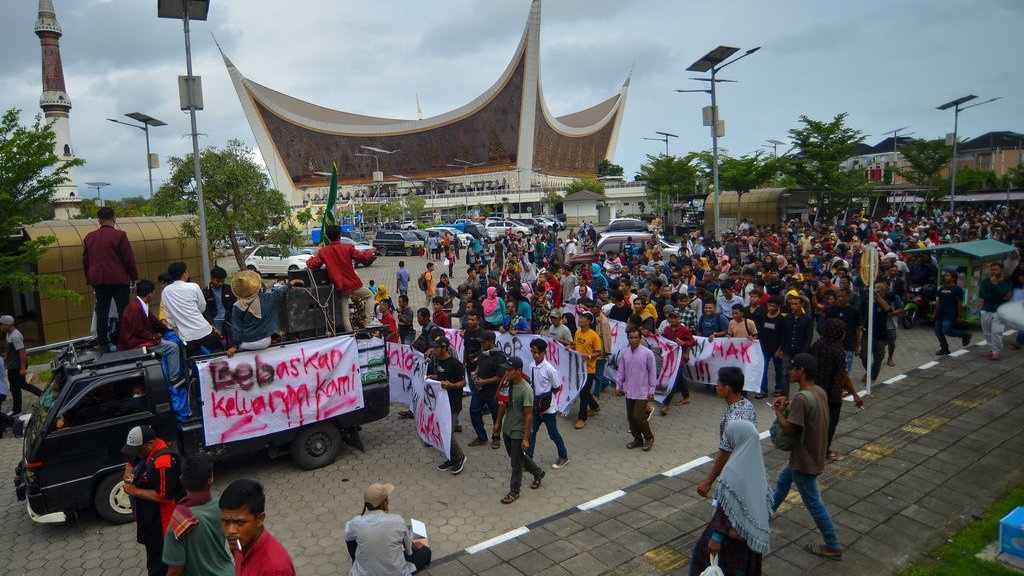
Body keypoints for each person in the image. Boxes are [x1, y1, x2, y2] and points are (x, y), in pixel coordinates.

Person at [770, 353, 844, 561]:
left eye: (792, 368)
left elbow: (792, 429)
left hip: (804, 460)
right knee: (783, 480)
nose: (789, 371)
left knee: (813, 503)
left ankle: (833, 545)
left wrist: (778, 413)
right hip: (813, 453)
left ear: (801, 371)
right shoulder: (817, 391)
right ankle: (767, 512)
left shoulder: (803, 398)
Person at [689, 420, 773, 576]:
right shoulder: (758, 467)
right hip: (748, 537)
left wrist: (716, 536)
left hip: (729, 538)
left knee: (703, 560)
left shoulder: (732, 470)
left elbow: (725, 508)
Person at [122, 425, 183, 576]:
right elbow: (131, 460)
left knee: (159, 565)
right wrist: (128, 473)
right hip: (150, 520)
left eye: (138, 449)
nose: (136, 453)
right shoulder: (146, 449)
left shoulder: (163, 462)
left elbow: (164, 495)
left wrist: (134, 491)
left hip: (162, 525)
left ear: (150, 443)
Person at [162, 452, 234, 576]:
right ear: (211, 480)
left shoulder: (178, 523)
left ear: (182, 480)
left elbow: (175, 571)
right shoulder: (223, 506)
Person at [344, 482, 431, 576]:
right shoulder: (397, 521)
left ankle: (356, 562)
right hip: (396, 573)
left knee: (352, 538)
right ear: (384, 503)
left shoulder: (355, 522)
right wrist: (415, 544)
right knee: (425, 552)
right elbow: (409, 551)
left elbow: (348, 537)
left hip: (362, 573)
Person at [697, 367, 758, 498]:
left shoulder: (733, 420)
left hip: (735, 473)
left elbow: (725, 453)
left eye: (718, 384)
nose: (716, 387)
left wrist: (708, 481)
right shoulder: (747, 404)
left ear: (727, 388)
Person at [83, 206, 139, 349]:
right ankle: (123, 339)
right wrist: (134, 277)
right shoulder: (120, 235)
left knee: (102, 310)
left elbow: (86, 261)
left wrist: (89, 279)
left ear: (99, 220)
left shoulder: (89, 237)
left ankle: (102, 342)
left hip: (98, 280)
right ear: (114, 218)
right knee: (123, 310)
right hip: (118, 279)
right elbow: (128, 259)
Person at [492, 357, 545, 504]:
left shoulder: (526, 390)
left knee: (515, 463)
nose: (506, 372)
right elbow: (502, 404)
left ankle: (514, 491)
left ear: (519, 371)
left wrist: (526, 438)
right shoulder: (507, 383)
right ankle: (538, 472)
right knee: (514, 455)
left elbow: (529, 416)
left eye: (509, 370)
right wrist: (498, 422)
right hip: (508, 428)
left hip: (518, 430)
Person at [811, 318, 864, 462]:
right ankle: (824, 451)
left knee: (814, 421)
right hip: (831, 393)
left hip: (813, 391)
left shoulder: (817, 345)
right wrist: (854, 394)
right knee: (830, 423)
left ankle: (811, 448)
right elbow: (844, 376)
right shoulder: (838, 350)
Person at [306, 225, 377, 332]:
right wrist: (371, 251)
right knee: (369, 295)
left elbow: (313, 264)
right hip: (352, 284)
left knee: (345, 314)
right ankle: (368, 321)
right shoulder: (348, 247)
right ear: (340, 235)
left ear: (328, 237)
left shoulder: (323, 251)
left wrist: (309, 260)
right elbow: (363, 257)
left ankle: (350, 336)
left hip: (339, 287)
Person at [219, 479, 296, 576]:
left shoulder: (274, 569)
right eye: (225, 522)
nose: (230, 531)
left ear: (259, 519)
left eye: (240, 522)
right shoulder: (238, 543)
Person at [118, 280, 186, 386]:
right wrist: (156, 337)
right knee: (172, 348)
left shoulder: (139, 304)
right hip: (135, 342)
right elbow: (138, 331)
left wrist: (168, 330)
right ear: (150, 294)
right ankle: (174, 378)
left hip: (140, 338)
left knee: (170, 340)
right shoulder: (135, 308)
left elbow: (154, 322)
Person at [227, 272, 304, 356]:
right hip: (265, 341)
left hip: (246, 344)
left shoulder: (237, 306)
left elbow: (237, 329)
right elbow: (279, 292)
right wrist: (291, 283)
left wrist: (234, 346)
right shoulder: (267, 298)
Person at [161, 262, 223, 356]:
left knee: (195, 362)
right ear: (184, 274)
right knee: (219, 355)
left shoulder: (165, 292)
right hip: (204, 330)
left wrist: (177, 330)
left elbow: (169, 317)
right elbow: (202, 306)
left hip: (187, 336)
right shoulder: (193, 286)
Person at [525, 339, 569, 469]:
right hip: (535, 406)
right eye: (533, 352)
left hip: (548, 408)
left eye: (538, 352)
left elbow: (557, 387)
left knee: (553, 433)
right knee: (531, 432)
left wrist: (545, 399)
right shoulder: (531, 366)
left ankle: (563, 456)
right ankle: (528, 459)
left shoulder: (550, 369)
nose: (535, 355)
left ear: (544, 353)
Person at [613, 327, 657, 451]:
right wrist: (618, 386)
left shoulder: (647, 353)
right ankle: (637, 439)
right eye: (631, 338)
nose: (633, 340)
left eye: (635, 337)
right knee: (631, 418)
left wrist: (652, 390)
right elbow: (621, 371)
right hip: (629, 391)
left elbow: (652, 372)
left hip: (643, 392)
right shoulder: (625, 353)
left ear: (640, 338)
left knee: (638, 416)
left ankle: (649, 437)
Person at [429, 337, 467, 475]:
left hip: (453, 404)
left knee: (448, 433)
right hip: (442, 403)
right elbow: (440, 377)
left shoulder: (455, 364)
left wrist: (451, 385)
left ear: (444, 348)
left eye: (436, 348)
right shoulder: (439, 361)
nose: (433, 350)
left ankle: (460, 457)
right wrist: (430, 377)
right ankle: (451, 458)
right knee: (442, 432)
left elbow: (463, 383)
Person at [468, 329, 505, 449]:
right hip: (480, 391)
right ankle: (481, 437)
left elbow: (500, 377)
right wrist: (475, 373)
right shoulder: (483, 352)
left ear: (491, 342)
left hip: (493, 393)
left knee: (496, 416)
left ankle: (496, 438)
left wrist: (485, 381)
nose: (481, 344)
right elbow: (479, 364)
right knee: (474, 411)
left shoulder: (499, 357)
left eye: (484, 342)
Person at [1, 315, 42, 413]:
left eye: (1, 324)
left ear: (8, 324)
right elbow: (9, 350)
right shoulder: (8, 334)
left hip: (16, 365)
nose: (0, 326)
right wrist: (5, 360)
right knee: (21, 385)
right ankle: (43, 395)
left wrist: (23, 368)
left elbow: (22, 353)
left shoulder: (15, 336)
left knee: (15, 388)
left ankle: (17, 411)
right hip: (12, 364)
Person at [570, 312, 602, 430]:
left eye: (582, 318)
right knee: (584, 390)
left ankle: (582, 418)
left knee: (583, 393)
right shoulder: (578, 332)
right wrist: (570, 347)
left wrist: (588, 357)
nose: (579, 319)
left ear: (588, 321)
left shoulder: (594, 335)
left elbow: (599, 352)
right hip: (578, 368)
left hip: (589, 369)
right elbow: (575, 345)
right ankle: (594, 407)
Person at [931, 269, 971, 355]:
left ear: (953, 278)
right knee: (938, 331)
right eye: (945, 275)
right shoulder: (942, 288)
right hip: (940, 314)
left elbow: (959, 303)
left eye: (948, 275)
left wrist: (959, 316)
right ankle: (944, 348)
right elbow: (938, 302)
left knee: (946, 330)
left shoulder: (957, 289)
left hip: (950, 314)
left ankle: (964, 335)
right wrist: (934, 313)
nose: (945, 277)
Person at [978, 262, 1011, 361]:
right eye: (992, 269)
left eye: (996, 269)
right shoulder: (985, 282)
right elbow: (982, 294)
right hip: (987, 309)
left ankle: (996, 352)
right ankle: (992, 350)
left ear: (1001, 270)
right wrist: (998, 297)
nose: (993, 271)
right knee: (987, 332)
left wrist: (996, 285)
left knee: (997, 331)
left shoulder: (1006, 282)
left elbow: (1005, 294)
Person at [203, 266, 236, 343]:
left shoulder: (228, 289)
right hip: (215, 320)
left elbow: (234, 304)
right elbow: (205, 310)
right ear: (212, 279)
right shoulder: (205, 292)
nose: (221, 283)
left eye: (223, 281)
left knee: (236, 336)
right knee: (217, 340)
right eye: (218, 281)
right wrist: (211, 324)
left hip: (229, 319)